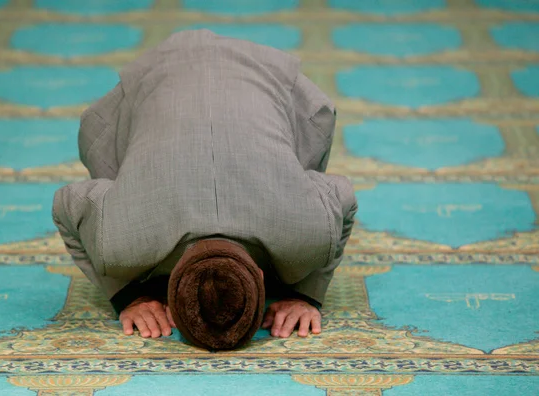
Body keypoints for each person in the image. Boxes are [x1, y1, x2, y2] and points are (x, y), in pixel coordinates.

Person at [52, 29, 357, 351]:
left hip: (269, 75)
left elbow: (66, 203)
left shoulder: (306, 235)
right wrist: (128, 295)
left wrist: (304, 295)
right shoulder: (119, 242)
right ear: (261, 276)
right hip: (154, 76)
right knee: (110, 161)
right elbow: (64, 206)